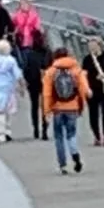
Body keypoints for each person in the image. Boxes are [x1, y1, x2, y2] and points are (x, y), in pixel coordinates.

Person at [41, 43, 89, 174]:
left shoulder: (50, 72)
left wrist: (46, 111)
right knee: (71, 134)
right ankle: (75, 154)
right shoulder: (76, 70)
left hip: (57, 109)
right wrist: (81, 106)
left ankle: (62, 165)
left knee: (58, 137)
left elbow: (47, 94)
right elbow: (83, 89)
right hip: (72, 108)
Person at [19, 27, 51, 140]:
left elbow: (25, 68)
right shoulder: (48, 52)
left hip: (33, 82)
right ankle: (44, 130)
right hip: (45, 81)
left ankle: (36, 129)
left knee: (34, 106)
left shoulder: (29, 53)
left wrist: (26, 80)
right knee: (45, 106)